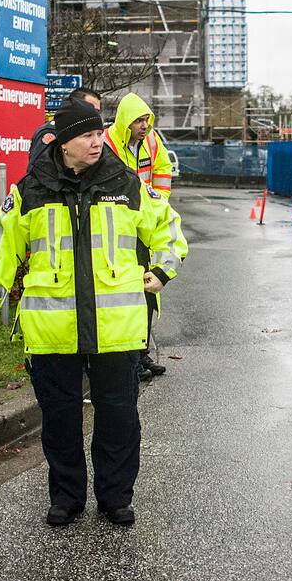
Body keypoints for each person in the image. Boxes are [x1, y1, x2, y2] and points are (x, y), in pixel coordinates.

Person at [0, 99, 187, 527]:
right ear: (64, 142)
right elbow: (2, 246)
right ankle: (66, 498)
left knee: (119, 418)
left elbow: (166, 225)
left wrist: (163, 270)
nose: (97, 141)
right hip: (53, 329)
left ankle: (115, 497)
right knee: (59, 421)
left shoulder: (124, 183)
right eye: (88, 135)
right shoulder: (30, 189)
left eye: (98, 134)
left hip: (117, 329)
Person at [104, 93, 174, 380]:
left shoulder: (153, 142)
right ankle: (128, 357)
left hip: (144, 225)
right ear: (125, 122)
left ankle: (141, 353)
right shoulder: (107, 143)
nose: (145, 125)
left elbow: (163, 170)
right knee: (124, 293)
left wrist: (159, 203)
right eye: (138, 121)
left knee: (147, 290)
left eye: (147, 119)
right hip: (115, 227)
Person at [27, 87, 102, 171]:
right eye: (87, 136)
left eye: (97, 111)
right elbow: (38, 170)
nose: (97, 143)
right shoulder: (50, 131)